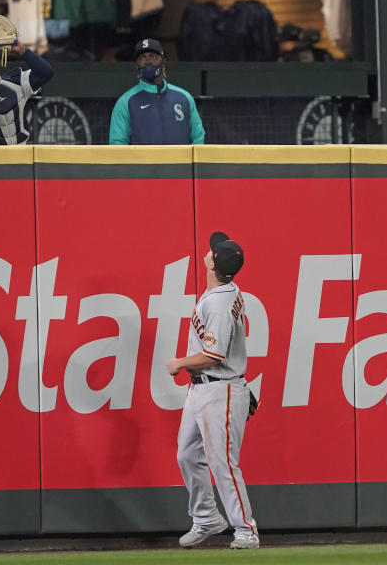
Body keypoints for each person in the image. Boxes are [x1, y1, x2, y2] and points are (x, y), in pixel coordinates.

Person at [167, 232, 259, 550]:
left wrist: (180, 362)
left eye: (213, 251)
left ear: (213, 263)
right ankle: (206, 517)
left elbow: (213, 355)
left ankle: (246, 530)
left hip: (220, 389)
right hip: (206, 389)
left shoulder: (219, 303)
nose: (208, 251)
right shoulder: (223, 290)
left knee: (222, 462)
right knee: (187, 454)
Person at [109, 38, 205, 145]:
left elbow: (198, 138)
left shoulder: (184, 97)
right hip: (142, 162)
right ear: (137, 64)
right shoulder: (125, 102)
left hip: (180, 162)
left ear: (163, 61)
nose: (148, 61)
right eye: (142, 57)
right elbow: (117, 144)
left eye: (153, 56)